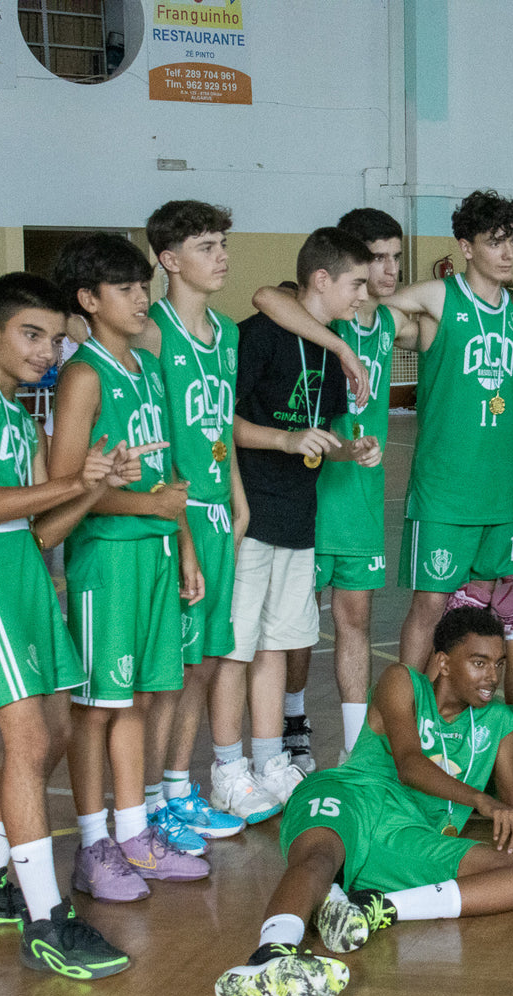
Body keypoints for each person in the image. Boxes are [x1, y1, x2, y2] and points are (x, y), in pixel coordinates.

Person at [0, 272, 155, 978]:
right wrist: (76, 477)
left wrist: (97, 486)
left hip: (19, 563)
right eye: (32, 334)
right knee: (26, 738)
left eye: (55, 338)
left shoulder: (20, 412)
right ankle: (49, 921)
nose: (46, 350)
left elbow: (42, 530)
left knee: (51, 735)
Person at [213, 607, 513, 996]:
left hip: (411, 833)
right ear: (444, 662)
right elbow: (409, 764)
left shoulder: (499, 722)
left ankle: (374, 908)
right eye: (479, 663)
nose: (492, 677)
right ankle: (270, 957)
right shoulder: (404, 683)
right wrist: (483, 802)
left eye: (498, 664)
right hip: (354, 795)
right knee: (319, 858)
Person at [49, 233, 210, 902]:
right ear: (88, 301)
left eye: (144, 286)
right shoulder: (84, 375)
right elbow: (65, 484)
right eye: (125, 289)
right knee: (96, 708)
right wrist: (147, 502)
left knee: (139, 701)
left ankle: (136, 834)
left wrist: (187, 547)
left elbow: (169, 477)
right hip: (108, 559)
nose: (142, 297)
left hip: (156, 552)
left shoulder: (145, 368)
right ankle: (93, 847)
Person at [206, 227, 381, 822]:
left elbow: (317, 433)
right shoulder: (258, 338)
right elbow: (221, 421)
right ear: (322, 279)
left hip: (297, 516)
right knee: (236, 647)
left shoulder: (331, 349)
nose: (363, 293)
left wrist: (347, 449)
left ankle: (270, 759)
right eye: (357, 281)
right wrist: (282, 437)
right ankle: (227, 769)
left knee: (280, 643)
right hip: (250, 513)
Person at [252, 208, 414, 769]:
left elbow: (456, 302)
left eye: (395, 257)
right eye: (376, 258)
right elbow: (266, 296)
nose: (386, 269)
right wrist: (341, 347)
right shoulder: (317, 315)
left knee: (355, 622)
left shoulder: (389, 320)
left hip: (362, 496)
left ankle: (354, 744)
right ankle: (293, 725)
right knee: (295, 627)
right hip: (308, 498)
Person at [134, 200, 249, 851]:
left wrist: (238, 499)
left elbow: (222, 426)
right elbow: (152, 441)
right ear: (169, 260)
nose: (222, 256)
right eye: (207, 246)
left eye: (223, 243)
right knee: (169, 673)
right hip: (175, 519)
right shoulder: (153, 333)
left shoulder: (227, 334)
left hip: (218, 512)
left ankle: (179, 788)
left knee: (205, 662)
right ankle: (148, 803)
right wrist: (182, 536)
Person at [385, 190, 513, 670]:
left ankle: (450, 710)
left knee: (480, 606)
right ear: (467, 248)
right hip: (445, 489)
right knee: (430, 605)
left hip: (499, 489)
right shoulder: (439, 298)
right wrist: (406, 331)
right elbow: (377, 310)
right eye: (495, 242)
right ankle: (405, 708)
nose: (507, 253)